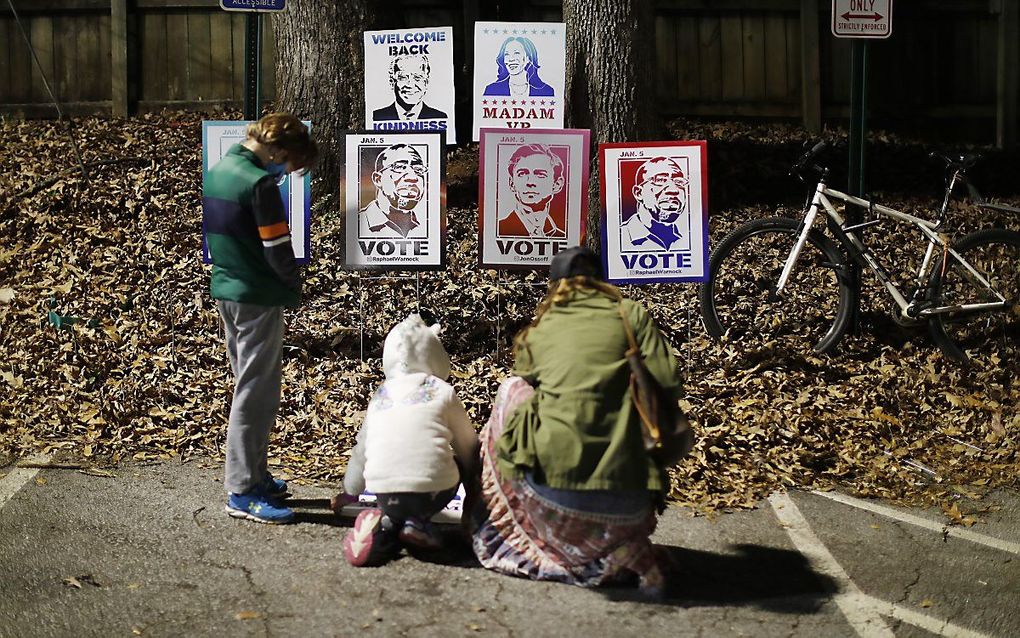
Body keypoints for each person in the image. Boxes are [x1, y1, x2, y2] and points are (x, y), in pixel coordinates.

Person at [464, 247, 685, 596]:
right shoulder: (631, 315)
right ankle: (619, 548)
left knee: (512, 390)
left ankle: (528, 537)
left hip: (554, 494)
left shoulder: (544, 327)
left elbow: (525, 374)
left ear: (556, 286)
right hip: (631, 499)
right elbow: (669, 383)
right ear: (601, 282)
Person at [203, 112, 318, 524]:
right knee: (256, 393)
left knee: (247, 385)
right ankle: (243, 489)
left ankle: (255, 473)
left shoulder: (220, 171)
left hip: (228, 291)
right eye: (290, 163)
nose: (287, 172)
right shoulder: (259, 183)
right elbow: (277, 248)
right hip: (258, 295)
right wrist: (294, 286)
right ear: (279, 149)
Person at [336, 314, 478, 567]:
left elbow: (362, 451)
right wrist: (476, 486)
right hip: (432, 491)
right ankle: (418, 523)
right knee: (453, 462)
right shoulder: (442, 391)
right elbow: (467, 445)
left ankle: (386, 525)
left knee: (394, 496)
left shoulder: (381, 395)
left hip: (382, 488)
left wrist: (350, 492)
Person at [620, 157, 690, 252]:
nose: (673, 190)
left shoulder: (689, 238)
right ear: (638, 193)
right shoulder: (621, 236)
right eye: (660, 180)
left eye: (679, 182)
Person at [359, 144, 428, 239]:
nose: (413, 177)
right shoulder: (357, 222)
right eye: (399, 167)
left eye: (418, 169)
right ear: (378, 179)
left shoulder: (428, 227)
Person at [498, 144, 566, 239]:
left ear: (557, 184)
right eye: (522, 174)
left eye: (540, 174)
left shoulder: (562, 236)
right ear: (512, 183)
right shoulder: (499, 230)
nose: (530, 182)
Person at [373, 54, 448, 121]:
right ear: (392, 82)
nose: (410, 85)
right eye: (403, 77)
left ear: (426, 82)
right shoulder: (376, 117)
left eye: (417, 77)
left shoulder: (439, 117)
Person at [483, 37, 554, 98]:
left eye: (516, 53)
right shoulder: (491, 90)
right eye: (507, 54)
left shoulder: (546, 91)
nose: (511, 59)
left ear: (528, 58)